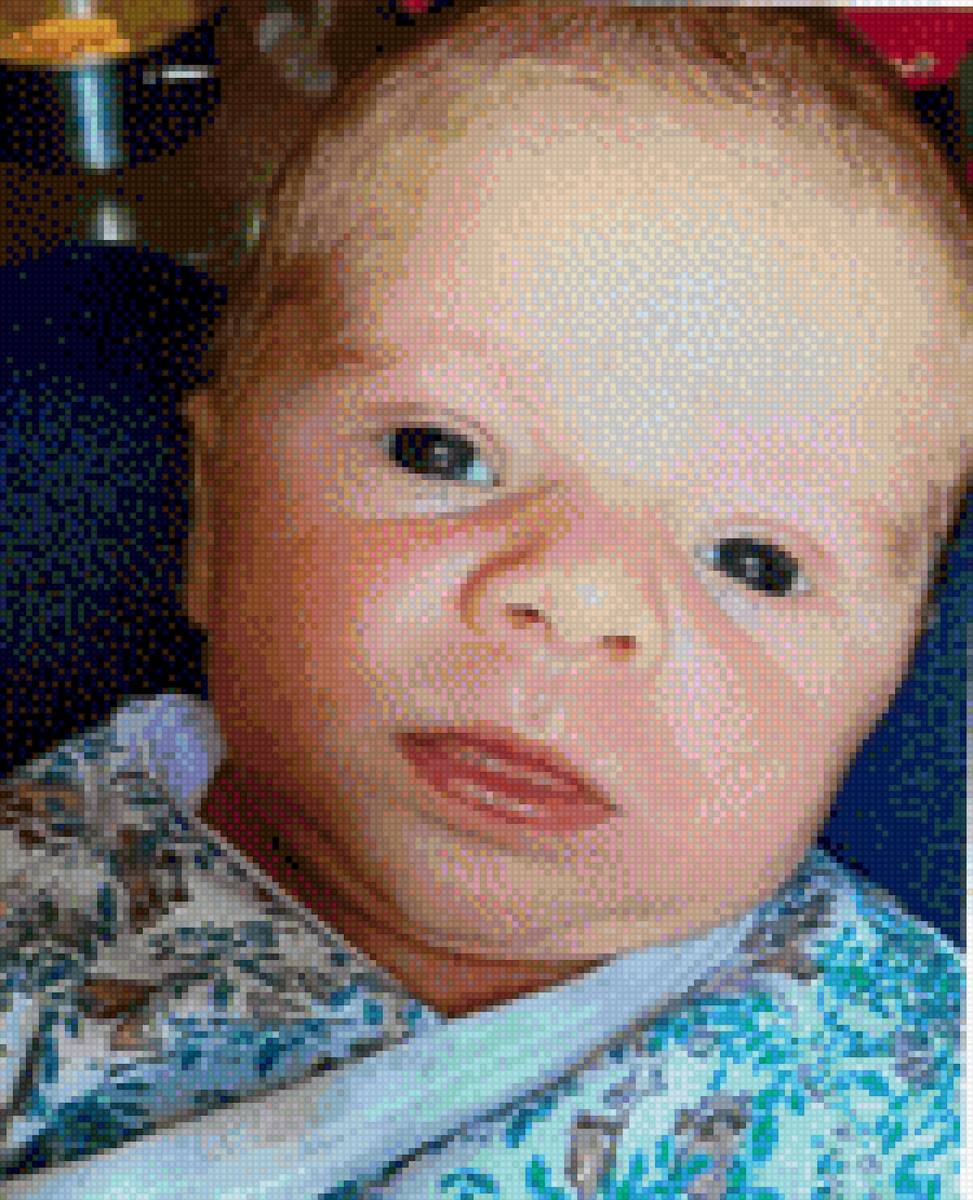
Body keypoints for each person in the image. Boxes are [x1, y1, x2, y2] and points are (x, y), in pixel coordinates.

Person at [1, 5, 968, 1197]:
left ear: (894, 675)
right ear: (213, 513)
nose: (576, 596)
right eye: (442, 453)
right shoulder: (36, 894)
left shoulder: (913, 1089)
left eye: (753, 561)